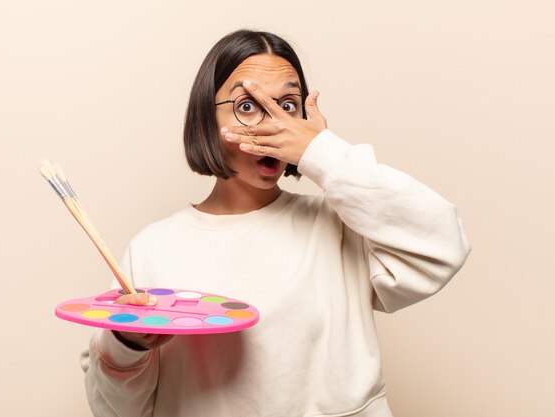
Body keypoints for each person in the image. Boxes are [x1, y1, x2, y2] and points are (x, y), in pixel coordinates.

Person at [80, 29, 471, 417]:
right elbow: (115, 409)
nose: (273, 124)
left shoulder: (340, 226)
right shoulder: (155, 248)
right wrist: (126, 343)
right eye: (247, 106)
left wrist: (322, 153)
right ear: (206, 118)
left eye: (287, 105)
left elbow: (442, 244)